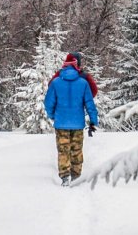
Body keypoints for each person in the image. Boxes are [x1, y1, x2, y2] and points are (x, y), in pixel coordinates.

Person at [44, 53, 99, 186]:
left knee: (63, 150)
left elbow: (48, 103)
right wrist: (93, 121)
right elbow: (90, 104)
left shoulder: (56, 82)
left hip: (61, 123)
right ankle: (76, 176)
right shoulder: (83, 82)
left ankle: (64, 177)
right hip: (77, 123)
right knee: (76, 150)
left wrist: (53, 116)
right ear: (76, 65)